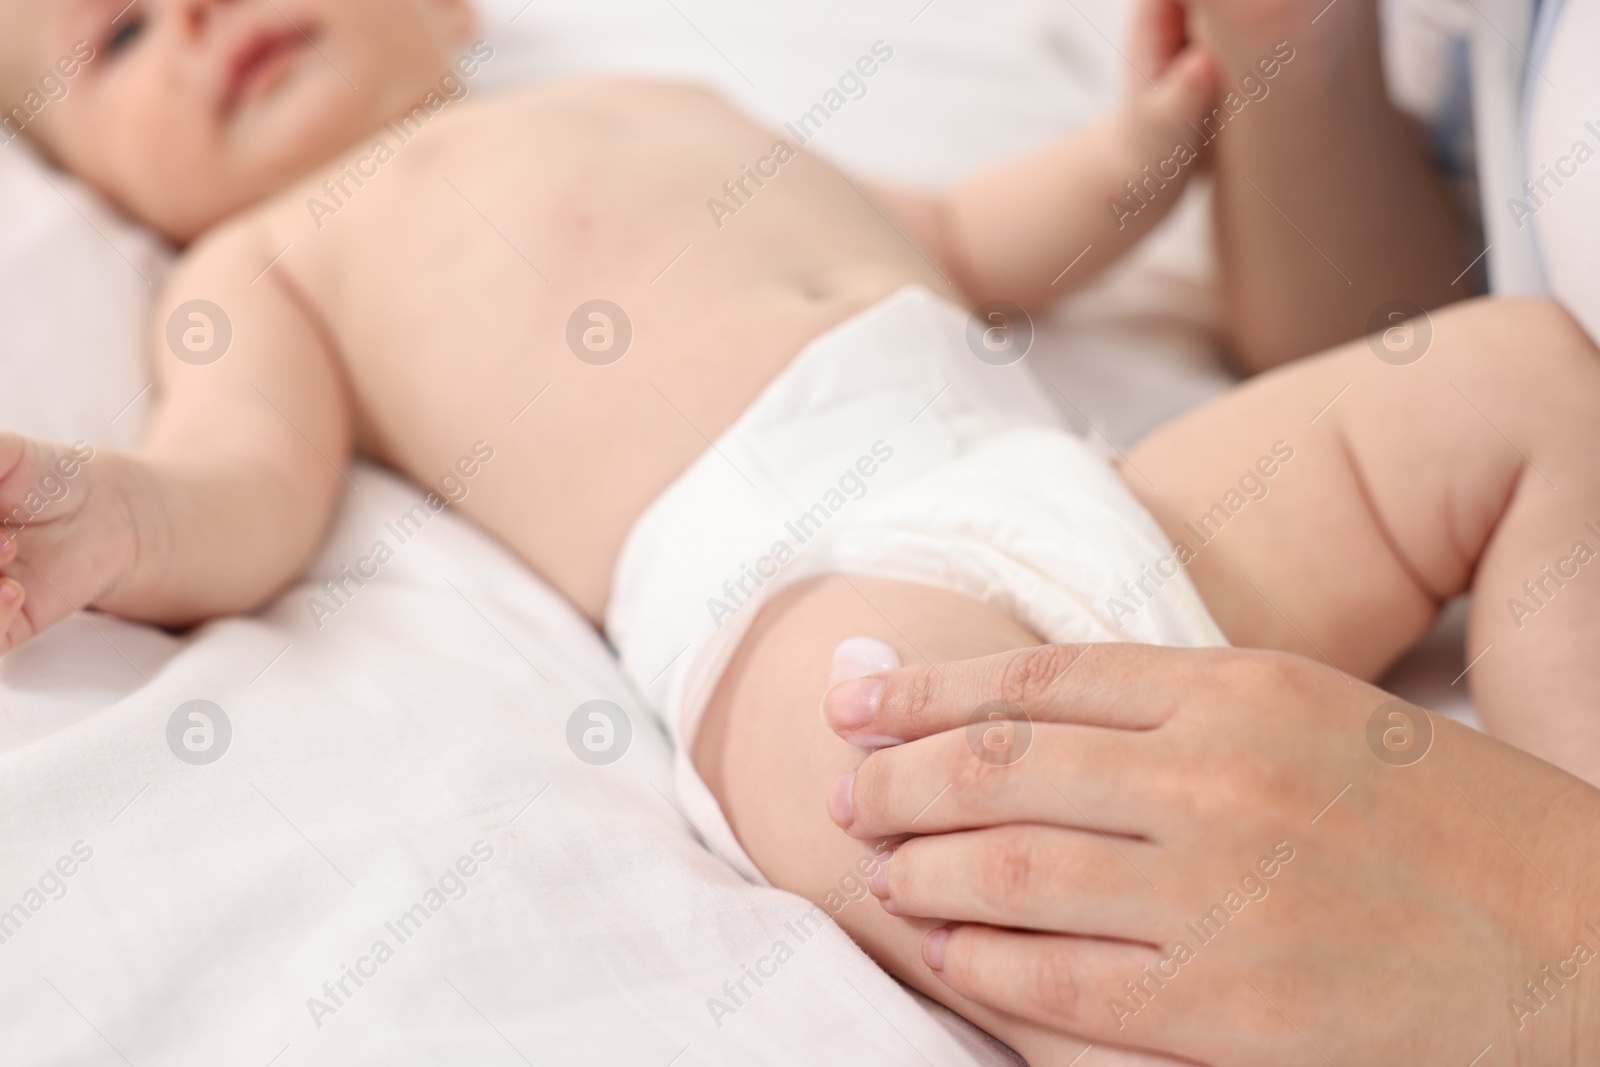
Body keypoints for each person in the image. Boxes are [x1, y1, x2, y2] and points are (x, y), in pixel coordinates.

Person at [0, 0, 1596, 1063]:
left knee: (1520, 381)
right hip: (812, 615)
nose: (198, 8)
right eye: (125, 33)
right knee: (1072, 911)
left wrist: (1140, 150)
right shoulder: (267, 262)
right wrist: (107, 513)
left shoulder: (664, 94)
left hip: (1083, 492)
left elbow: (963, 239)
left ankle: (1552, 818)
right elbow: (244, 485)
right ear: (95, 175)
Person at [814, 0, 1600, 1061]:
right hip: (807, 556)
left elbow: (961, 230)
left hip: (974, 493)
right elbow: (1401, 320)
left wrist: (1549, 898)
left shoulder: (659, 116)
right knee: (1018, 897)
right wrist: (1286, 45)